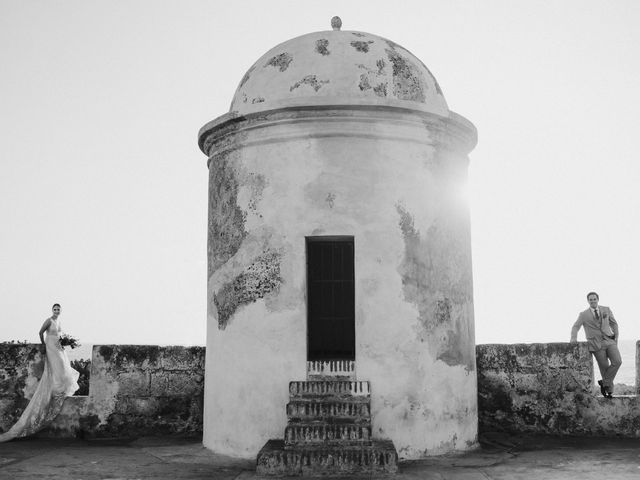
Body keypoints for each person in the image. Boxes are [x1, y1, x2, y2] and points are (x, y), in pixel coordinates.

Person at [0, 304, 79, 442]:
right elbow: (40, 332)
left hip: (58, 346)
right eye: (55, 309)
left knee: (63, 368)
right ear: (52, 310)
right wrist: (43, 344)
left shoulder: (59, 321)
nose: (56, 311)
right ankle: (56, 389)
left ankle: (59, 389)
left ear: (61, 310)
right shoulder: (49, 320)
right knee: (56, 366)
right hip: (50, 346)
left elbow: (60, 335)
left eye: (58, 309)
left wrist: (65, 341)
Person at [570, 292, 621, 398]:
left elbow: (614, 323)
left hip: (609, 340)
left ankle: (604, 383)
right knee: (604, 367)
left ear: (598, 299)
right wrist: (573, 338)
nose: (592, 301)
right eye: (590, 299)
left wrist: (616, 336)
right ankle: (609, 391)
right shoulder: (583, 315)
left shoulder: (606, 309)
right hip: (595, 344)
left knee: (617, 361)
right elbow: (575, 327)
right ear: (588, 301)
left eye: (594, 299)